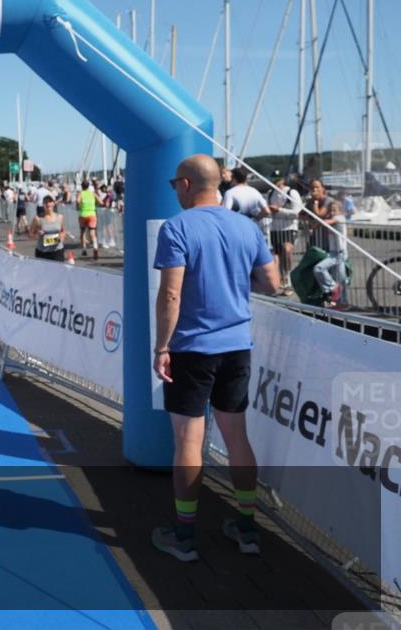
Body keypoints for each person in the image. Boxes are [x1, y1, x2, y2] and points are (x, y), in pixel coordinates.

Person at [151, 154, 280, 562]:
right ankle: (246, 528)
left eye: (175, 184)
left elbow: (171, 294)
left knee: (189, 441)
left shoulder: (177, 227)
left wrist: (161, 347)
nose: (174, 190)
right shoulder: (247, 226)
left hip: (192, 348)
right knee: (236, 438)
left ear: (186, 185)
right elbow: (272, 283)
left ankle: (185, 534)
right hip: (237, 346)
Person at [266, 177, 303, 294]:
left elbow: (297, 212)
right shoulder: (270, 193)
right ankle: (279, 281)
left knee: (286, 250)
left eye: (277, 179)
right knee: (277, 256)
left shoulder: (291, 192)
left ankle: (287, 279)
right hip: (275, 228)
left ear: (282, 180)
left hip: (289, 227)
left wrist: (279, 210)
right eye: (273, 179)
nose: (275, 182)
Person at [30, 196, 66, 261]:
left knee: (59, 271)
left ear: (53, 203)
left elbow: (63, 231)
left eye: (50, 202)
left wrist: (61, 238)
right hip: (42, 252)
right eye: (46, 202)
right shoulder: (37, 219)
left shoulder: (60, 217)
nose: (48, 204)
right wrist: (38, 234)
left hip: (57, 250)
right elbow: (30, 235)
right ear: (43, 205)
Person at [76, 179, 99, 260]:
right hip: (92, 214)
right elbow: (101, 201)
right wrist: (95, 204)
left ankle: (84, 250)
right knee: (92, 233)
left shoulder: (80, 193)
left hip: (83, 214)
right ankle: (95, 247)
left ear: (82, 186)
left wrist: (78, 206)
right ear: (88, 186)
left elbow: (78, 201)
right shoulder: (92, 193)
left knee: (82, 232)